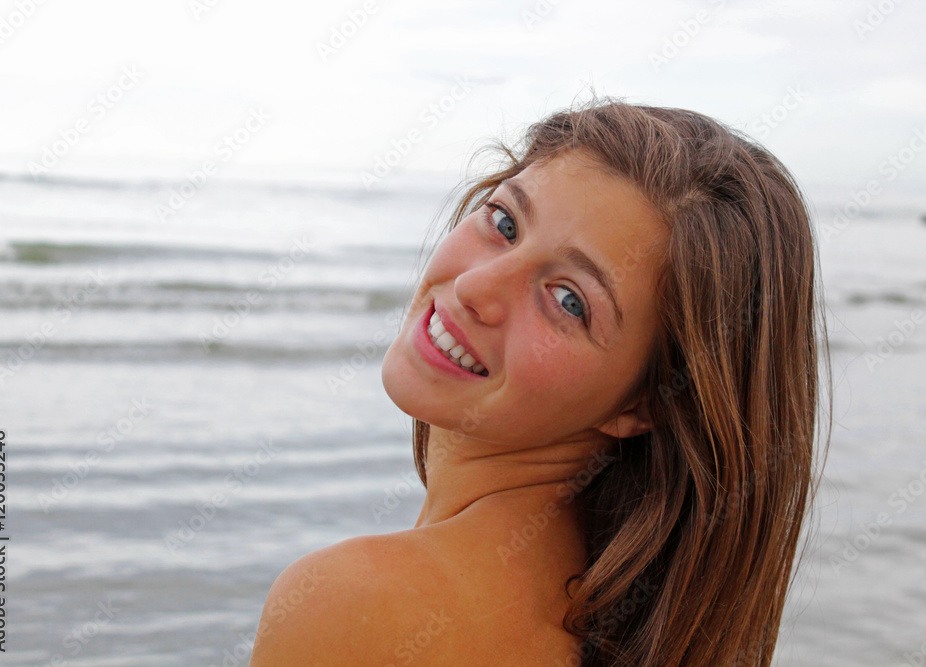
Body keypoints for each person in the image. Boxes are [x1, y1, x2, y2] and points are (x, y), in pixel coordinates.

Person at [250, 96, 830, 666]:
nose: (478, 286)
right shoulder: (630, 631)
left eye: (568, 300)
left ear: (645, 401)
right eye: (505, 222)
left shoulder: (358, 603)